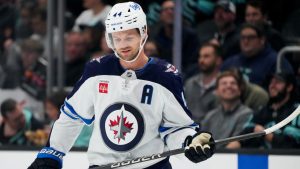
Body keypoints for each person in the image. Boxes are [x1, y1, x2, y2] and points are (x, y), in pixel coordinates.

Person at [28, 2, 215, 169]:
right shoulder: (97, 70)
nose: (123, 45)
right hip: (102, 165)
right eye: (117, 39)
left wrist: (189, 141)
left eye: (129, 38)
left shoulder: (165, 76)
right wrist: (52, 153)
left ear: (143, 34)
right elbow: (71, 116)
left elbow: (177, 127)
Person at [227, 72, 300, 149]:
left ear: (289, 87)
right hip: (259, 158)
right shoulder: (262, 110)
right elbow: (243, 135)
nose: (272, 86)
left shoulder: (297, 111)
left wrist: (266, 134)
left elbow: (293, 143)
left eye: (277, 82)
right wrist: (224, 154)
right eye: (271, 82)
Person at [201, 71, 253, 149]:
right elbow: (201, 141)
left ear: (239, 91)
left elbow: (238, 143)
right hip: (209, 158)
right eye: (224, 83)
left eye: (233, 83)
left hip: (233, 158)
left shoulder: (247, 114)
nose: (229, 86)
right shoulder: (210, 116)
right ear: (217, 91)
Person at [184, 43, 222, 124]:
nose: (201, 60)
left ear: (218, 60)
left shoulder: (224, 84)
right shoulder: (190, 83)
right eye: (200, 56)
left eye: (206, 56)